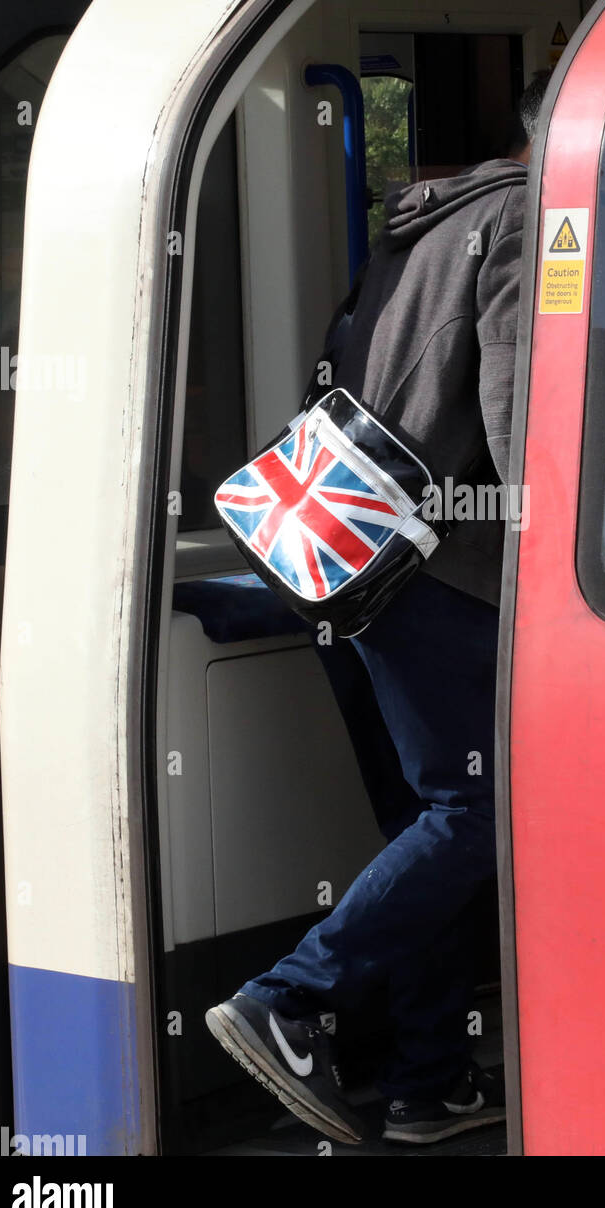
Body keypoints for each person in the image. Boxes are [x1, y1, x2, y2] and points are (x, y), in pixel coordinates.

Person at [207, 70, 551, 1146]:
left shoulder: (414, 226)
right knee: (474, 810)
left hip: (336, 564)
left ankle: (424, 1077)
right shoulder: (528, 220)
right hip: (440, 571)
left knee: (430, 818)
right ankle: (290, 997)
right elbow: (516, 420)